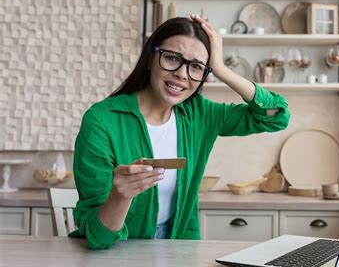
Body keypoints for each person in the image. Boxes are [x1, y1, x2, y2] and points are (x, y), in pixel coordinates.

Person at [70, 14, 291, 249]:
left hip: (180, 248)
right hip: (119, 251)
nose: (182, 74)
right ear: (150, 57)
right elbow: (99, 237)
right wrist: (120, 196)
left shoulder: (199, 114)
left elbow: (277, 116)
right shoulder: (102, 121)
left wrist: (220, 69)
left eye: (196, 67)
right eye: (172, 58)